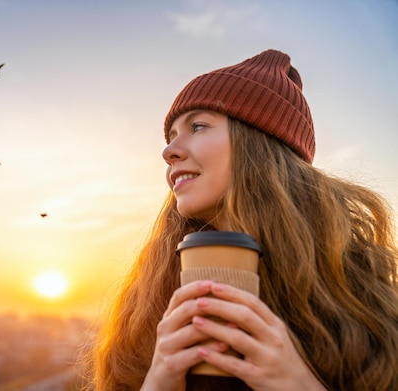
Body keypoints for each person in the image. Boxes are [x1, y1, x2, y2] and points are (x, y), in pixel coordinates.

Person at [86, 49, 398, 390]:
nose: (168, 152)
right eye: (172, 136)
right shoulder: (150, 298)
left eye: (199, 126)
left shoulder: (363, 300)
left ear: (260, 146)